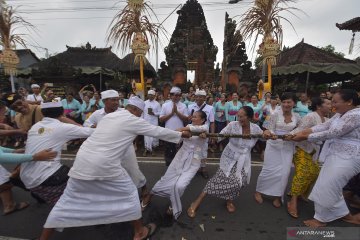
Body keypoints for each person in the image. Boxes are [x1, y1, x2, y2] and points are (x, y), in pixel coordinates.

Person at [39, 96, 191, 240]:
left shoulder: (109, 117)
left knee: (66, 201)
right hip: (104, 164)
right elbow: (157, 131)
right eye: (140, 113)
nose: (139, 116)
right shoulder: (133, 120)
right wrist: (182, 135)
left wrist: (177, 133)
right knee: (131, 193)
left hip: (81, 162)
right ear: (136, 111)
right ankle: (139, 232)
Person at [291, 89, 360, 227]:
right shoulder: (340, 114)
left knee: (329, 186)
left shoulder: (356, 114)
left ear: (349, 102)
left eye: (335, 101)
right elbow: (324, 126)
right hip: (335, 154)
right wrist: (306, 131)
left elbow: (333, 132)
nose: (332, 105)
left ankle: (321, 220)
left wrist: (305, 136)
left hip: (350, 156)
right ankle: (346, 215)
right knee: (325, 185)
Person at [187, 106, 263, 217]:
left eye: (242, 116)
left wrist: (269, 133)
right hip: (230, 157)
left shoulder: (255, 128)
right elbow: (219, 136)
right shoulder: (233, 125)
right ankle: (196, 202)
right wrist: (207, 136)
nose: (239, 118)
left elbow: (264, 136)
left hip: (244, 159)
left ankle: (229, 200)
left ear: (249, 118)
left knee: (239, 183)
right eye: (238, 115)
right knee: (218, 180)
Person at [19, 101, 95, 205]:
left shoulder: (36, 126)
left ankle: (44, 196)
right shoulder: (62, 127)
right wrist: (66, 120)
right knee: (82, 180)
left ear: (43, 113)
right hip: (46, 177)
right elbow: (90, 132)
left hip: (25, 176)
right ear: (62, 112)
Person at [141, 111, 208, 219]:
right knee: (167, 177)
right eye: (193, 117)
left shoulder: (205, 127)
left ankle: (174, 202)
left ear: (203, 119)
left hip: (194, 160)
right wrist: (182, 133)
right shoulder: (189, 126)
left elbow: (200, 130)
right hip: (181, 156)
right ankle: (150, 195)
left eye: (196, 117)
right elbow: (180, 137)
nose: (193, 118)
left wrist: (185, 130)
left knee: (180, 184)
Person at [84, 90, 148, 198]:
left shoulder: (124, 112)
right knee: (109, 171)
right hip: (106, 149)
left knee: (132, 169)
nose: (116, 102)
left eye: (117, 100)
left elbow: (138, 122)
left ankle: (144, 187)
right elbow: (86, 123)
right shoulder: (97, 114)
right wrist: (93, 127)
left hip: (125, 147)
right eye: (113, 100)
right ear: (104, 101)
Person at [287, 97, 331, 218]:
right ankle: (293, 201)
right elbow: (299, 130)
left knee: (315, 173)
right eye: (327, 103)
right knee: (303, 173)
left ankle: (300, 192)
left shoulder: (327, 119)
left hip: (314, 151)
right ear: (318, 106)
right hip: (301, 148)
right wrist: (288, 136)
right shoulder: (311, 116)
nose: (330, 105)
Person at [255, 92, 301, 208]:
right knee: (268, 170)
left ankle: (277, 196)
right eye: (284, 102)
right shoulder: (274, 114)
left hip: (287, 147)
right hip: (273, 146)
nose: (286, 104)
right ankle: (258, 191)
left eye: (289, 102)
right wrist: (272, 134)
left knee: (284, 173)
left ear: (294, 103)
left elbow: (300, 128)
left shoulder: (297, 117)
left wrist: (292, 134)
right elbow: (268, 128)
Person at [188, 89, 215, 179]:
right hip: (193, 130)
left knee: (203, 151)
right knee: (192, 150)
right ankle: (193, 168)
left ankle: (203, 168)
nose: (198, 98)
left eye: (201, 97)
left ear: (204, 98)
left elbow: (211, 122)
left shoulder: (210, 108)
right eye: (197, 96)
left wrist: (212, 134)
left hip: (204, 131)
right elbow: (189, 119)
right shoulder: (190, 106)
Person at [160, 86, 189, 166]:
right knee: (169, 152)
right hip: (168, 132)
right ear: (171, 95)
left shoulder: (183, 106)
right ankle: (169, 167)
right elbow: (161, 119)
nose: (176, 97)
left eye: (178, 95)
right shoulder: (165, 105)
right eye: (174, 95)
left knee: (179, 152)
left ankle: (178, 167)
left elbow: (186, 119)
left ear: (180, 96)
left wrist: (176, 112)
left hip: (180, 132)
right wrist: (171, 113)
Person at [143, 90, 161, 156]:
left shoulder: (157, 104)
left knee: (153, 135)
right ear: (147, 95)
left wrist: (154, 113)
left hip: (154, 122)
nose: (150, 96)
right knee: (146, 135)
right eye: (149, 94)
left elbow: (160, 113)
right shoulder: (144, 103)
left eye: (152, 95)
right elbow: (142, 113)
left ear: (154, 96)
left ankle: (153, 149)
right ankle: (146, 149)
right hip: (146, 121)